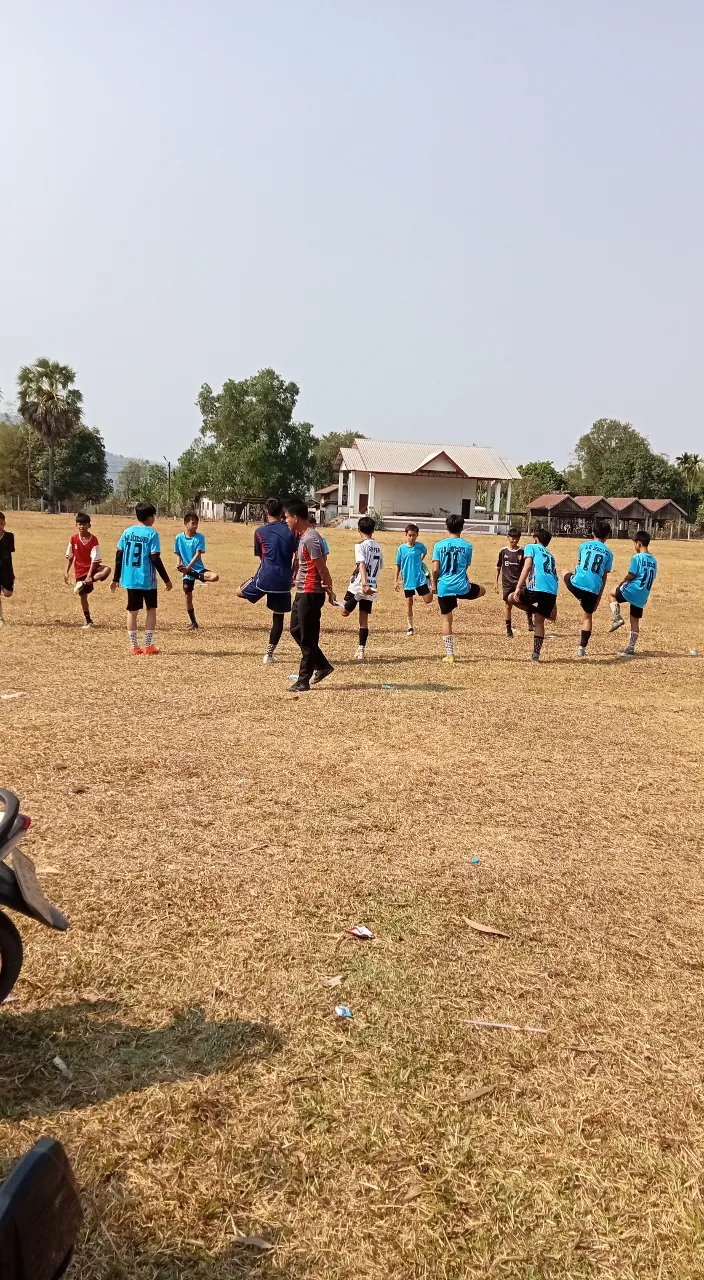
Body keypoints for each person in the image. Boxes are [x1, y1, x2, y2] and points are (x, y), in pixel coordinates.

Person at [283, 495, 336, 692]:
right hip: (301, 591)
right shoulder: (304, 537)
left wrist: (329, 591)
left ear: (296, 517)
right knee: (296, 630)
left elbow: (322, 568)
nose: (285, 520)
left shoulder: (311, 538)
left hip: (311, 593)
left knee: (307, 636)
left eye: (287, 517)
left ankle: (303, 680)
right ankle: (322, 665)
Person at [238, 497, 298, 663]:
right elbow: (297, 555)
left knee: (239, 592)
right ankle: (269, 655)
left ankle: (260, 591)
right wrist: (293, 573)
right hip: (283, 581)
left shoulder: (259, 532)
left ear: (265, 512)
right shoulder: (291, 530)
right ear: (282, 512)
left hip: (265, 578)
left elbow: (261, 557)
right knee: (278, 617)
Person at [110, 502, 173, 655]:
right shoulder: (152, 534)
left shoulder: (127, 532)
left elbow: (119, 555)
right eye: (154, 516)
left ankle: (134, 646)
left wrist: (115, 578)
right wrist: (166, 579)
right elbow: (155, 559)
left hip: (130, 578)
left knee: (132, 611)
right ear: (150, 517)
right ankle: (148, 645)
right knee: (151, 609)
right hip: (146, 579)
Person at [431, 514, 485, 662]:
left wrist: (434, 584)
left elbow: (435, 570)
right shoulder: (467, 546)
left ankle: (450, 655)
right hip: (462, 587)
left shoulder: (438, 546)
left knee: (446, 620)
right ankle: (460, 598)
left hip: (444, 587)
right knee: (483, 590)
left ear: (446, 527)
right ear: (462, 528)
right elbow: (466, 566)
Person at [563, 517, 614, 657]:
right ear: (607, 536)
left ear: (593, 533)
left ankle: (577, 595)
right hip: (593, 590)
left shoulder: (584, 546)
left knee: (564, 571)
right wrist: (598, 598)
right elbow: (604, 577)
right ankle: (581, 648)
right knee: (588, 617)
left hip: (576, 584)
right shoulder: (609, 553)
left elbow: (580, 563)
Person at [509, 526, 558, 661]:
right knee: (539, 622)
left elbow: (528, 566)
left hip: (536, 587)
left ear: (536, 539)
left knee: (510, 598)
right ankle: (536, 654)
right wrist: (554, 606)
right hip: (552, 591)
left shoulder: (531, 547)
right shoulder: (551, 555)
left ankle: (539, 612)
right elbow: (553, 577)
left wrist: (518, 587)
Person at [341, 516, 384, 661]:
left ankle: (358, 595)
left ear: (359, 530)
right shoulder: (378, 547)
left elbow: (362, 564)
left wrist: (364, 584)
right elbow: (379, 567)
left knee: (344, 611)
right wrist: (370, 583)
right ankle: (361, 651)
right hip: (372, 586)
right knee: (364, 620)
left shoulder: (360, 545)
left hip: (359, 584)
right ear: (373, 530)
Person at [609, 530, 657, 656]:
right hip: (643, 594)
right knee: (634, 621)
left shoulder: (637, 557)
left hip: (633, 589)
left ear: (639, 543)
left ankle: (617, 618)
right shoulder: (654, 561)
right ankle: (631, 648)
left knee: (612, 594)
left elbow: (632, 574)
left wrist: (621, 582)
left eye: (635, 544)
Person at [64, 513, 111, 628]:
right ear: (76, 525)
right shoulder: (73, 539)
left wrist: (89, 576)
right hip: (80, 571)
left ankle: (83, 583)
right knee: (83, 597)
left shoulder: (93, 540)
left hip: (92, 568)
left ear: (89, 525)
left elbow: (95, 560)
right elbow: (70, 557)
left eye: (84, 524)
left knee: (107, 569)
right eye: (79, 524)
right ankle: (88, 620)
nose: (82, 526)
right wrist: (66, 572)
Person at [174, 512, 219, 631]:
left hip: (196, 569)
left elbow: (197, 554)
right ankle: (193, 623)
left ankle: (192, 574)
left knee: (215, 577)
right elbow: (178, 553)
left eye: (196, 523)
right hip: (186, 570)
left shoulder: (199, 537)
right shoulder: (179, 538)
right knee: (188, 596)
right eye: (193, 523)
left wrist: (188, 569)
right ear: (185, 524)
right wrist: (178, 564)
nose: (195, 526)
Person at [395, 523, 432, 635]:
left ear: (417, 535)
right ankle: (410, 627)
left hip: (419, 578)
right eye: (409, 535)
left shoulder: (419, 546)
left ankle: (430, 584)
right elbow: (398, 564)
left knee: (428, 600)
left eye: (414, 535)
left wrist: (420, 560)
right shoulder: (401, 549)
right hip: (408, 580)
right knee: (409, 602)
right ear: (406, 534)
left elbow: (425, 552)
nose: (411, 537)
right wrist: (395, 580)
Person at [496, 527, 533, 638]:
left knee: (526, 601)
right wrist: (496, 583)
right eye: (512, 538)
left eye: (517, 538)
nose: (514, 540)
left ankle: (530, 622)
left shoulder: (522, 552)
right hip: (507, 584)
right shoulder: (503, 552)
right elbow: (498, 567)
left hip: (519, 583)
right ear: (508, 537)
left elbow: (527, 567)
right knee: (508, 605)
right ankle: (508, 630)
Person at [0, 512, 15, 627]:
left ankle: (3, 586)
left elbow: (10, 552)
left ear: (5, 523)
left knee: (8, 593)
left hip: (6, 569)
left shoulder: (9, 536)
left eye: (1, 523)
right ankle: (0, 618)